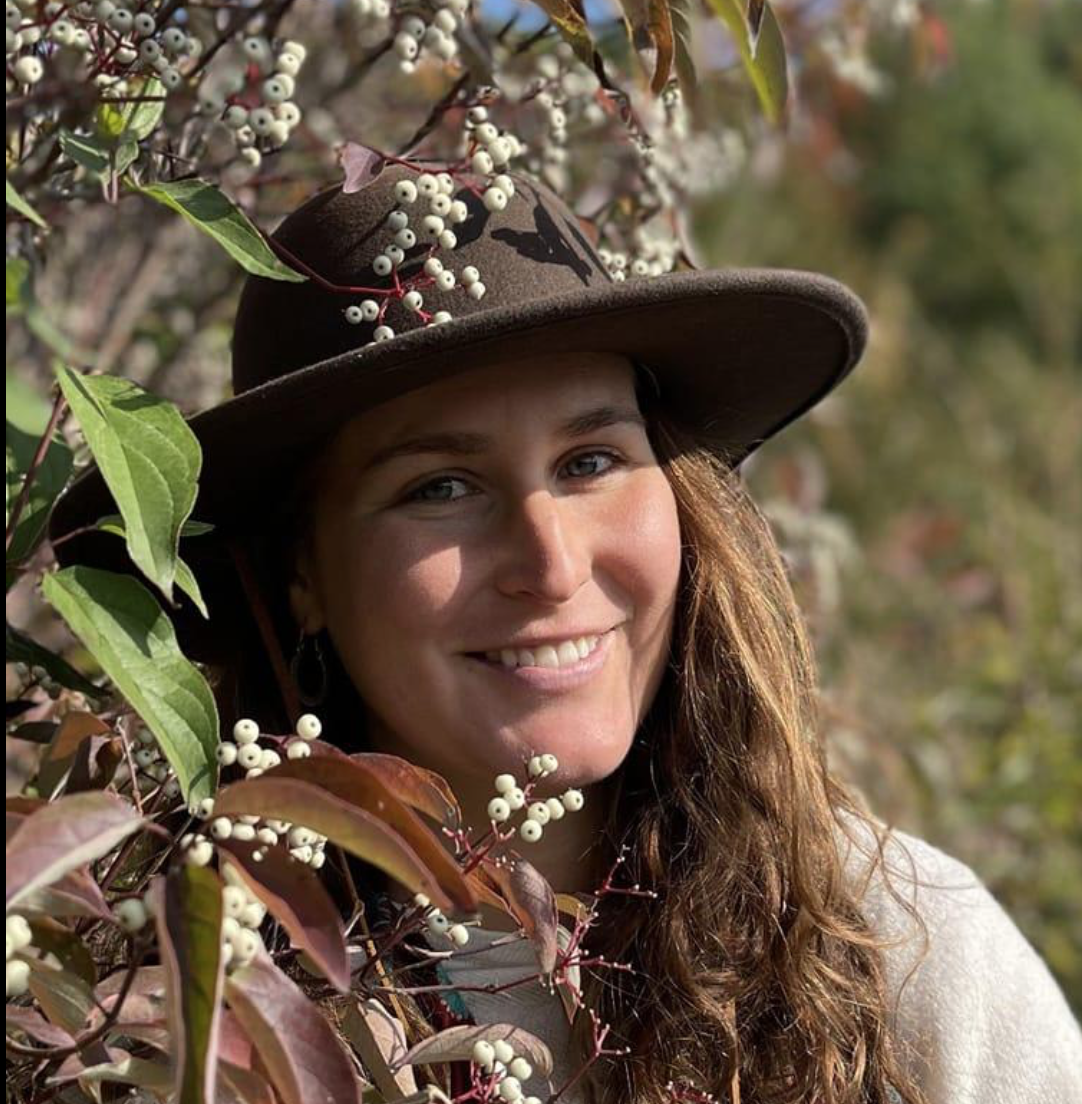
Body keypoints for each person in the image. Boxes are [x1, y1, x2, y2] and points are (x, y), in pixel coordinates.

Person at [48, 164, 1082, 1104]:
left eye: (590, 462)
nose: (550, 563)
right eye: (439, 487)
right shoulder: (180, 1013)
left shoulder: (903, 955)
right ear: (301, 575)